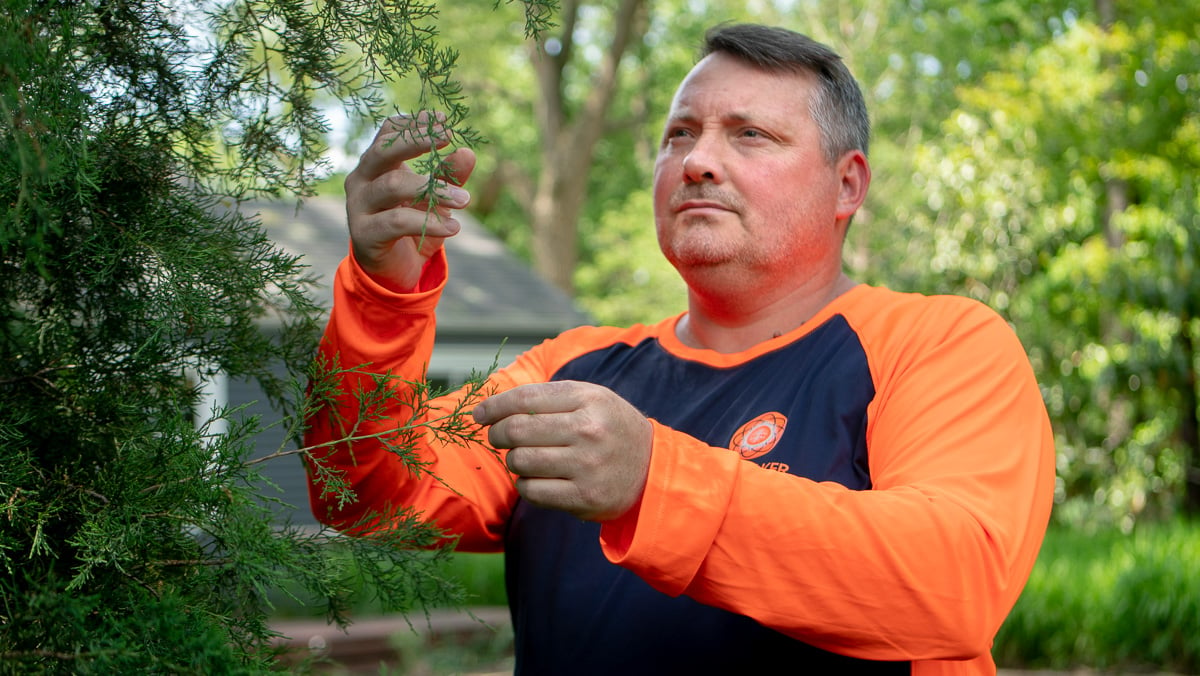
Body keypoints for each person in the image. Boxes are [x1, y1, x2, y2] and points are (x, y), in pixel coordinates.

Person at [305, 23, 1055, 676]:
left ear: (846, 184)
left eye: (749, 134)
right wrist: (383, 296)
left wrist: (655, 483)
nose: (698, 160)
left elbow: (952, 585)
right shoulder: (573, 368)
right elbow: (368, 493)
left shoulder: (940, 344)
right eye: (679, 134)